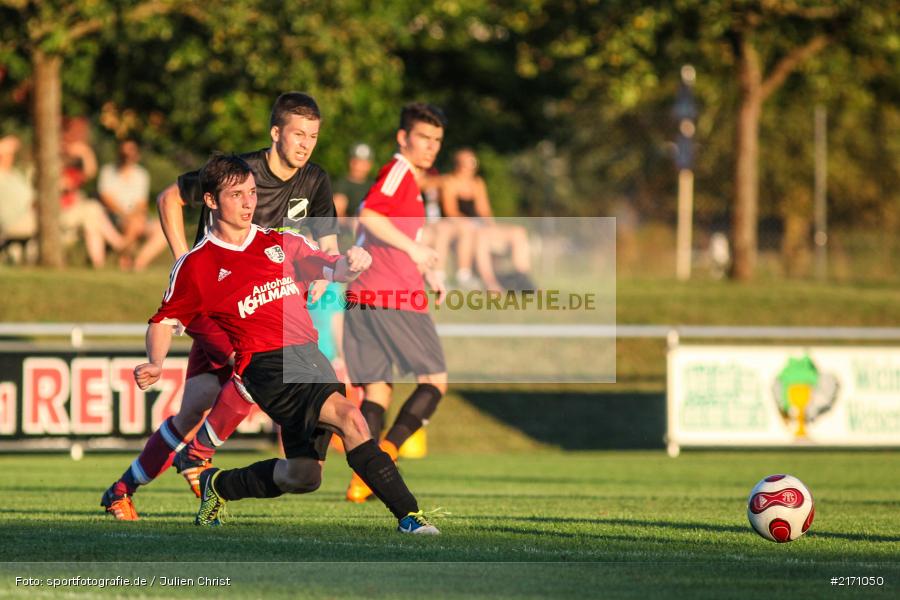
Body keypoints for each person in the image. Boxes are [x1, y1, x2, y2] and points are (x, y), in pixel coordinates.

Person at [133, 154, 439, 534]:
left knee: (304, 475)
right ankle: (411, 517)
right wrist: (156, 362)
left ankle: (218, 485)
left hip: (312, 358)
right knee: (351, 418)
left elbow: (332, 268)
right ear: (211, 201)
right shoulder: (197, 265)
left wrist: (352, 264)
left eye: (252, 193)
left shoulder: (280, 242)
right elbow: (163, 319)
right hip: (266, 366)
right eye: (236, 195)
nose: (249, 203)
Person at [100, 92, 340, 520]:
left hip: (263, 306)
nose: (305, 144)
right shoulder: (236, 173)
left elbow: (327, 241)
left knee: (198, 402)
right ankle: (197, 455)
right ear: (275, 133)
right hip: (216, 305)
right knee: (255, 362)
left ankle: (122, 488)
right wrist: (182, 262)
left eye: (313, 136)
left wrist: (324, 274)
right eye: (298, 134)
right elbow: (168, 198)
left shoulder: (315, 180)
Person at [342, 103, 449, 503]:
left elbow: (389, 230)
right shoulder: (400, 170)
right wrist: (414, 254)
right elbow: (369, 214)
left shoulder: (408, 180)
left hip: (361, 294)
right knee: (435, 381)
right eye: (424, 137)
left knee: (376, 391)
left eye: (437, 140)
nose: (431, 147)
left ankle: (364, 477)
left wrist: (427, 266)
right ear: (403, 138)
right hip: (391, 294)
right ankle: (385, 456)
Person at [441, 148, 535, 292]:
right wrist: (473, 224)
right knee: (480, 235)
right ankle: (491, 283)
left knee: (518, 232)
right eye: (467, 163)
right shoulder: (450, 182)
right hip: (461, 228)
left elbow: (484, 211)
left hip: (479, 226)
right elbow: (451, 212)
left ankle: (522, 278)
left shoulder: (477, 183)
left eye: (473, 162)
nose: (471, 166)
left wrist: (491, 225)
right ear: (458, 164)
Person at [59, 118, 126, 267]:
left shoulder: (73, 164)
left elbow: (90, 172)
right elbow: (63, 185)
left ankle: (98, 264)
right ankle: (121, 245)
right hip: (60, 213)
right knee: (93, 209)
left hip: (74, 211)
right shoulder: (53, 157)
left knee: (92, 222)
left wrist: (85, 153)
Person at [97, 139, 168, 271]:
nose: (126, 155)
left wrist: (133, 216)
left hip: (136, 218)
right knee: (133, 223)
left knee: (162, 230)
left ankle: (138, 262)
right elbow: (106, 198)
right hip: (114, 217)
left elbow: (141, 203)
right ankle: (125, 260)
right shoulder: (108, 171)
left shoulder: (141, 175)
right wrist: (126, 215)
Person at [0, 135, 37, 263]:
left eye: (11, 154)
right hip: (13, 221)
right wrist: (4, 144)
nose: (10, 157)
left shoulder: (15, 174)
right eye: (6, 155)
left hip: (29, 216)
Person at [332, 143, 374, 222]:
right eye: (356, 162)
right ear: (350, 162)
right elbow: (336, 213)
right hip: (347, 229)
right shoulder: (341, 184)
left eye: (364, 163)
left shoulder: (373, 186)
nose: (359, 167)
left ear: (370, 165)